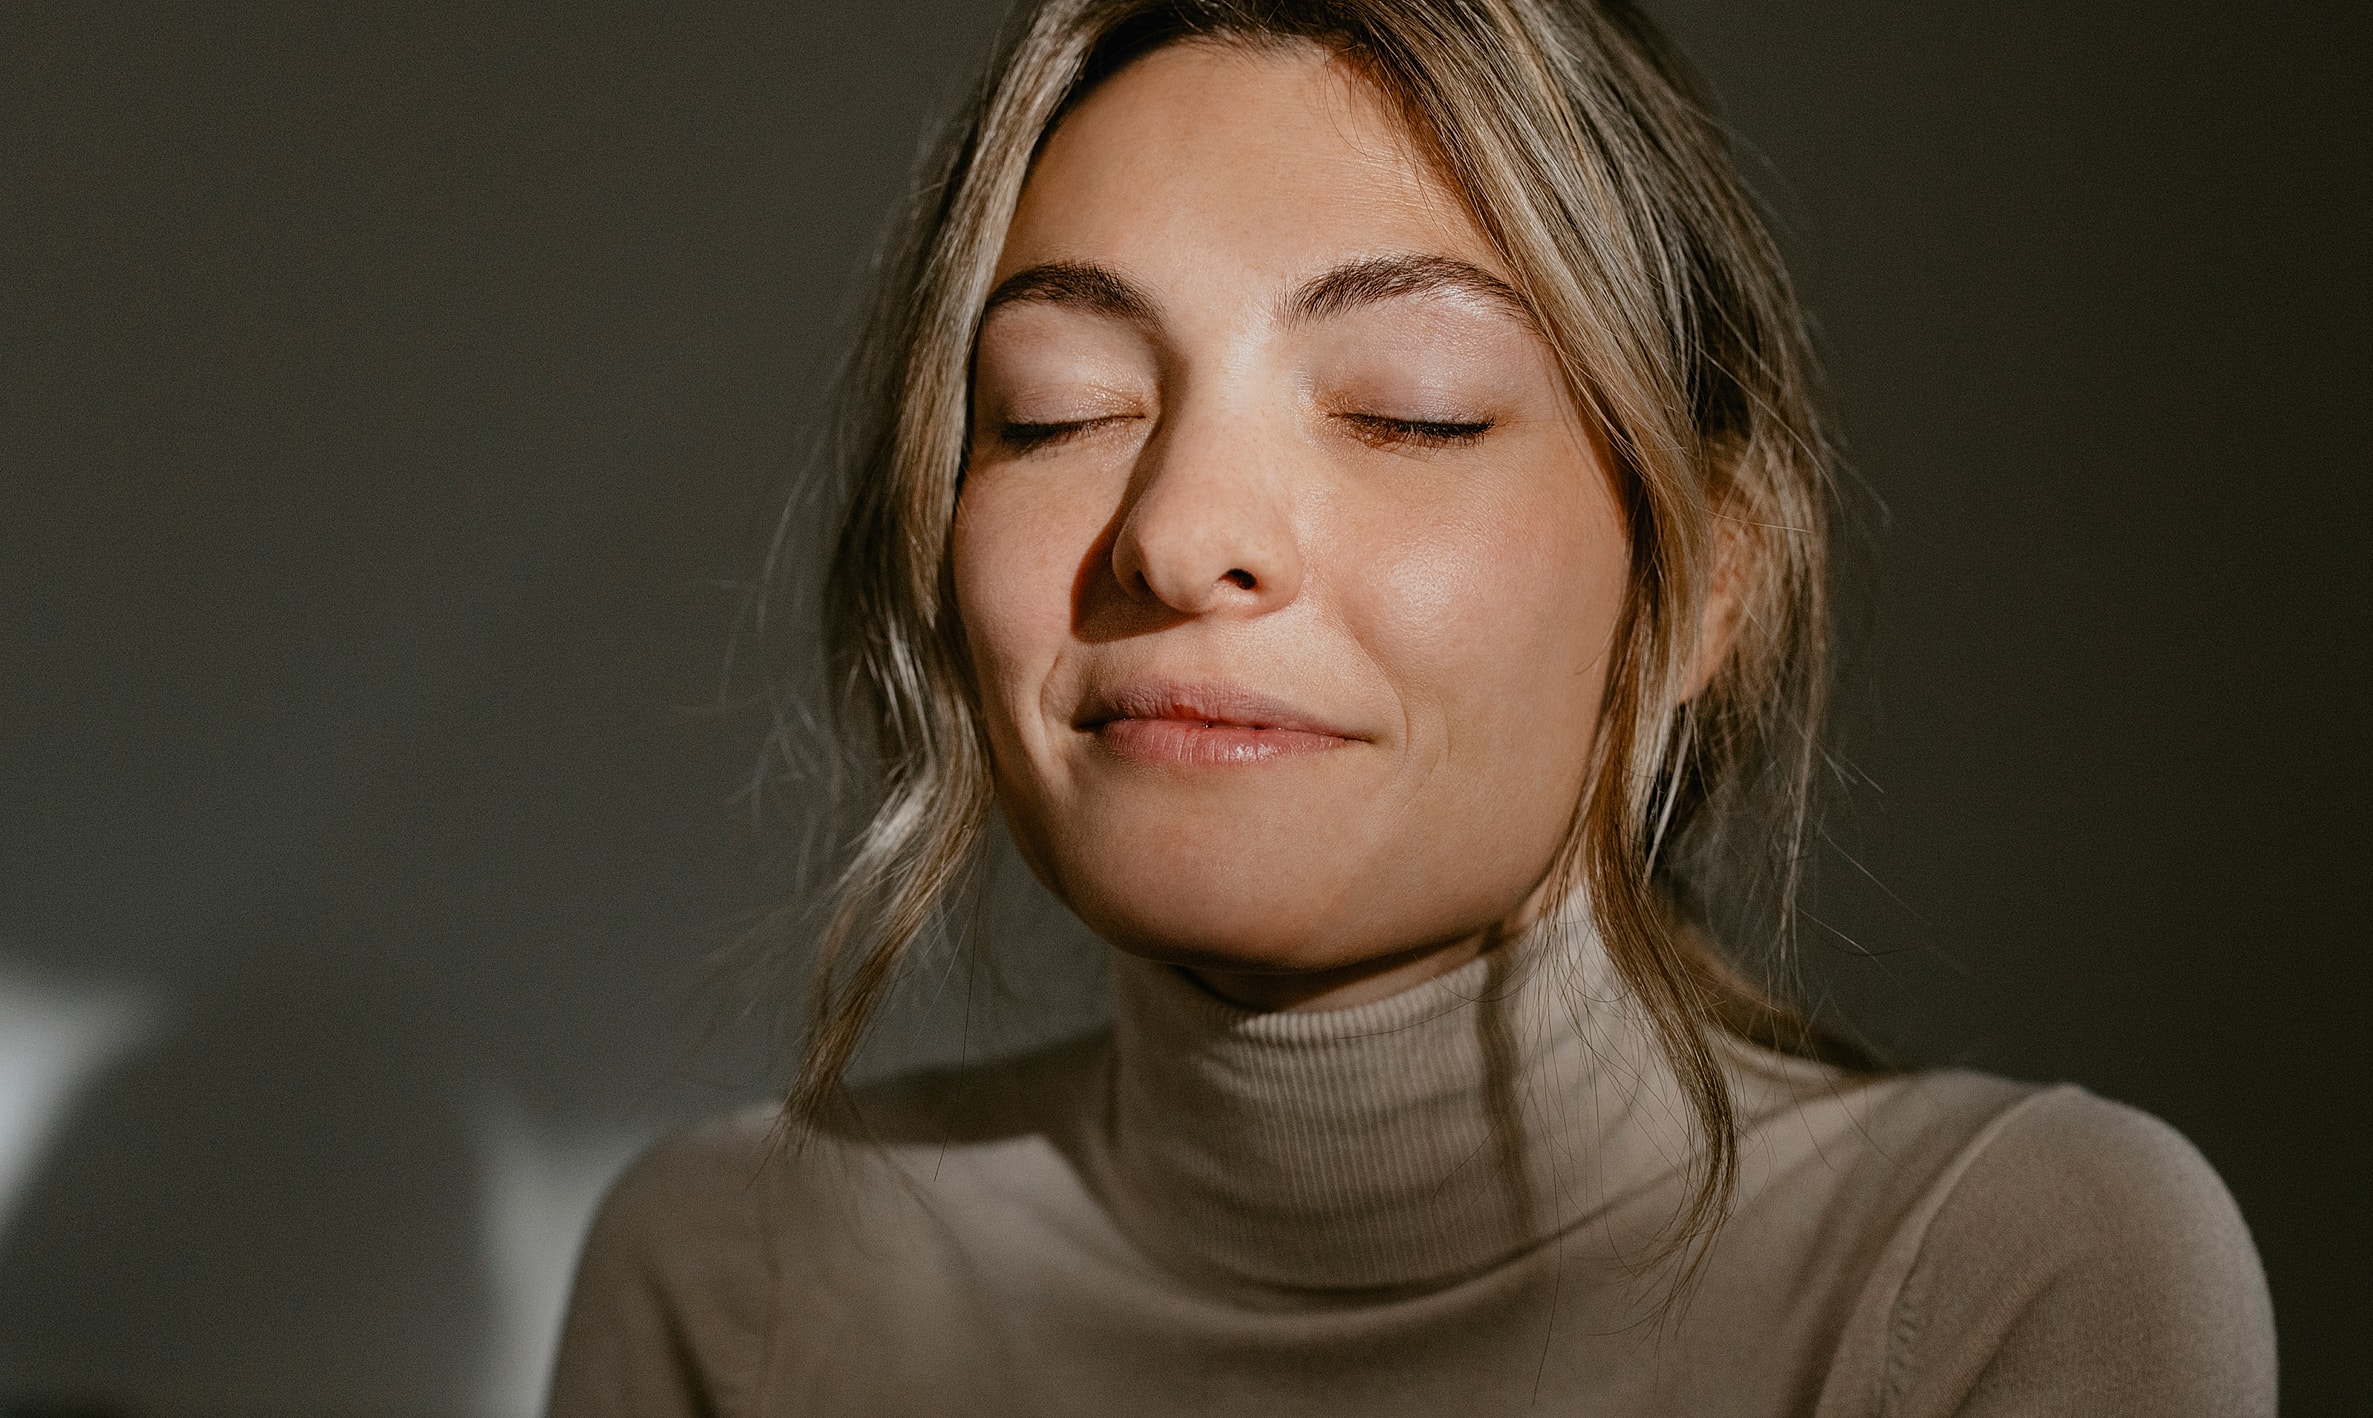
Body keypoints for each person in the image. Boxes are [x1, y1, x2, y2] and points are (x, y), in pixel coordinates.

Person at [548, 2, 2277, 1413]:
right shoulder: (732, 1279)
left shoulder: (2010, 1270)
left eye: (1412, 409)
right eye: (1056, 407)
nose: (1180, 533)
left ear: (1707, 582)